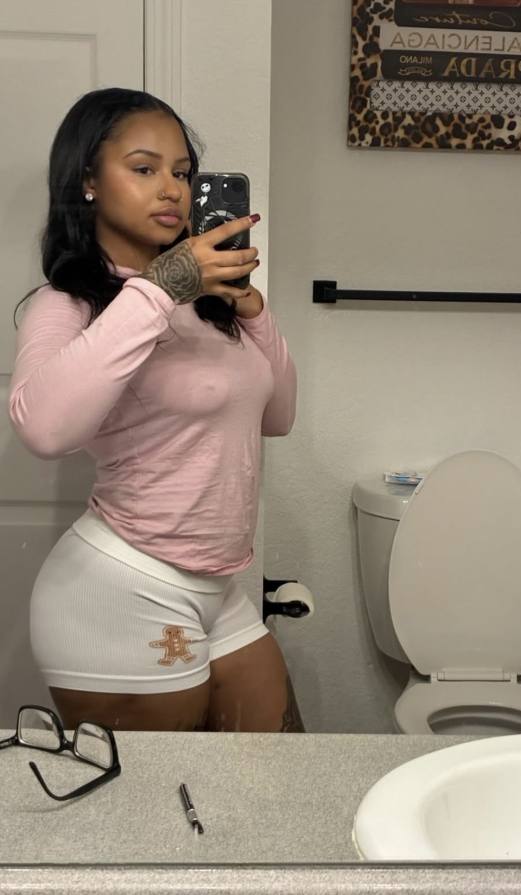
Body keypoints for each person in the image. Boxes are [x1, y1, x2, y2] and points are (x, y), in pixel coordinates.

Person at [8, 87, 303, 734]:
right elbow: (43, 428)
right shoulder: (69, 303)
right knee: (159, 796)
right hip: (122, 585)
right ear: (88, 180)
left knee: (271, 774)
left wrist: (251, 307)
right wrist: (159, 288)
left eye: (182, 172)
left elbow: (277, 416)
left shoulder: (208, 304)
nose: (172, 189)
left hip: (219, 587)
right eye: (144, 169)